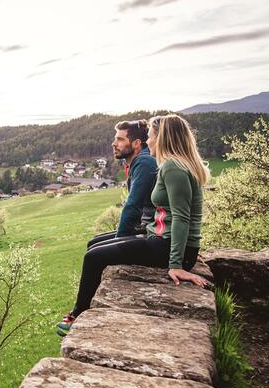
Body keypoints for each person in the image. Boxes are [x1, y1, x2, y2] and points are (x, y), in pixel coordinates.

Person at [57, 114, 210, 336]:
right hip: (162, 240)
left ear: (162, 138)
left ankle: (78, 315)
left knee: (93, 257)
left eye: (150, 136)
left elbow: (181, 217)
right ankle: (80, 311)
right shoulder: (173, 165)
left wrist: (177, 264)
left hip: (167, 247)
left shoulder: (173, 168)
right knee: (95, 250)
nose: (148, 142)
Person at [86, 120, 157, 251]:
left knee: (94, 254)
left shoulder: (144, 162)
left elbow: (133, 205)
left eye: (120, 139)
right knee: (93, 242)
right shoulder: (138, 161)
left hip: (153, 230)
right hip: (146, 226)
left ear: (136, 143)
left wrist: (120, 241)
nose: (114, 144)